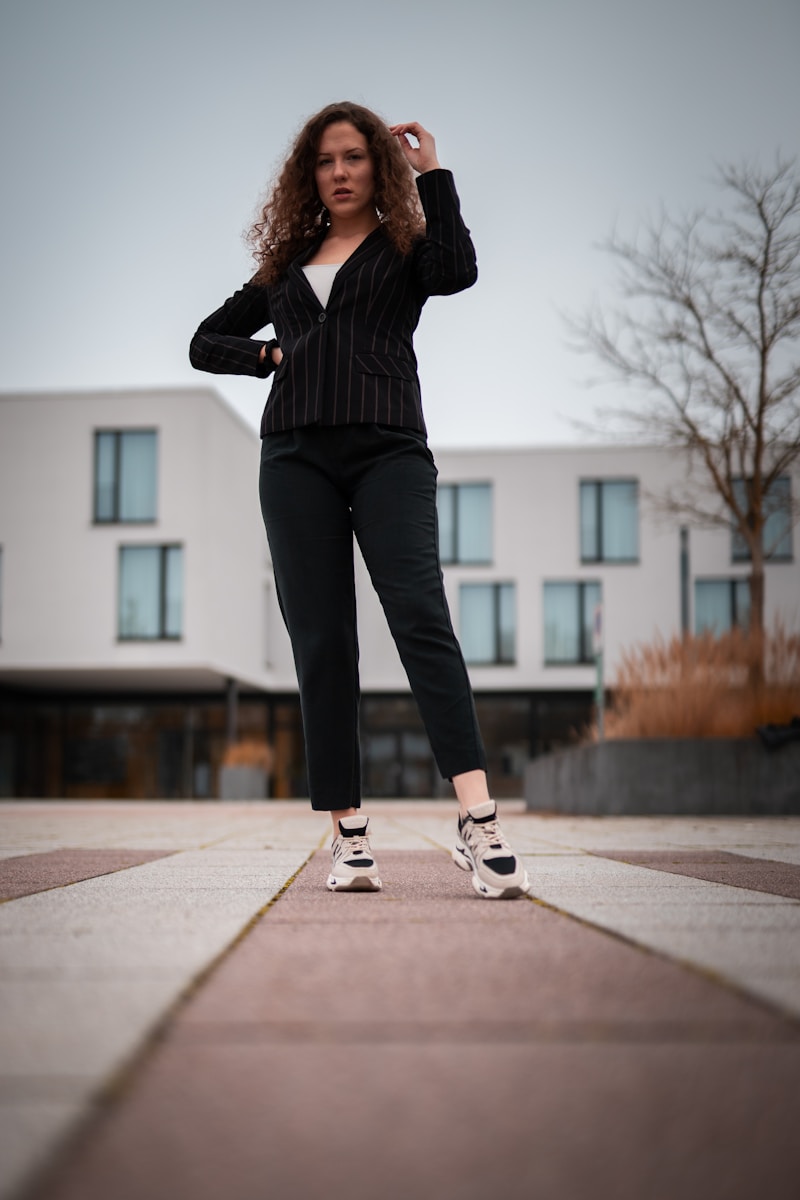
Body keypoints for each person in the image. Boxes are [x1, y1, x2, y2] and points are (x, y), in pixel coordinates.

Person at [190, 101, 529, 900]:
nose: (339, 172)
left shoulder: (409, 246)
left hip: (389, 449)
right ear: (308, 175)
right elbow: (205, 342)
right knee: (322, 641)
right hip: (295, 455)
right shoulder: (284, 265)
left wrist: (434, 176)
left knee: (419, 614)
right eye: (324, 161)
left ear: (377, 164)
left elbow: (458, 271)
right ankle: (348, 835)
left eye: (353, 157)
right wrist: (272, 352)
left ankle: (477, 821)